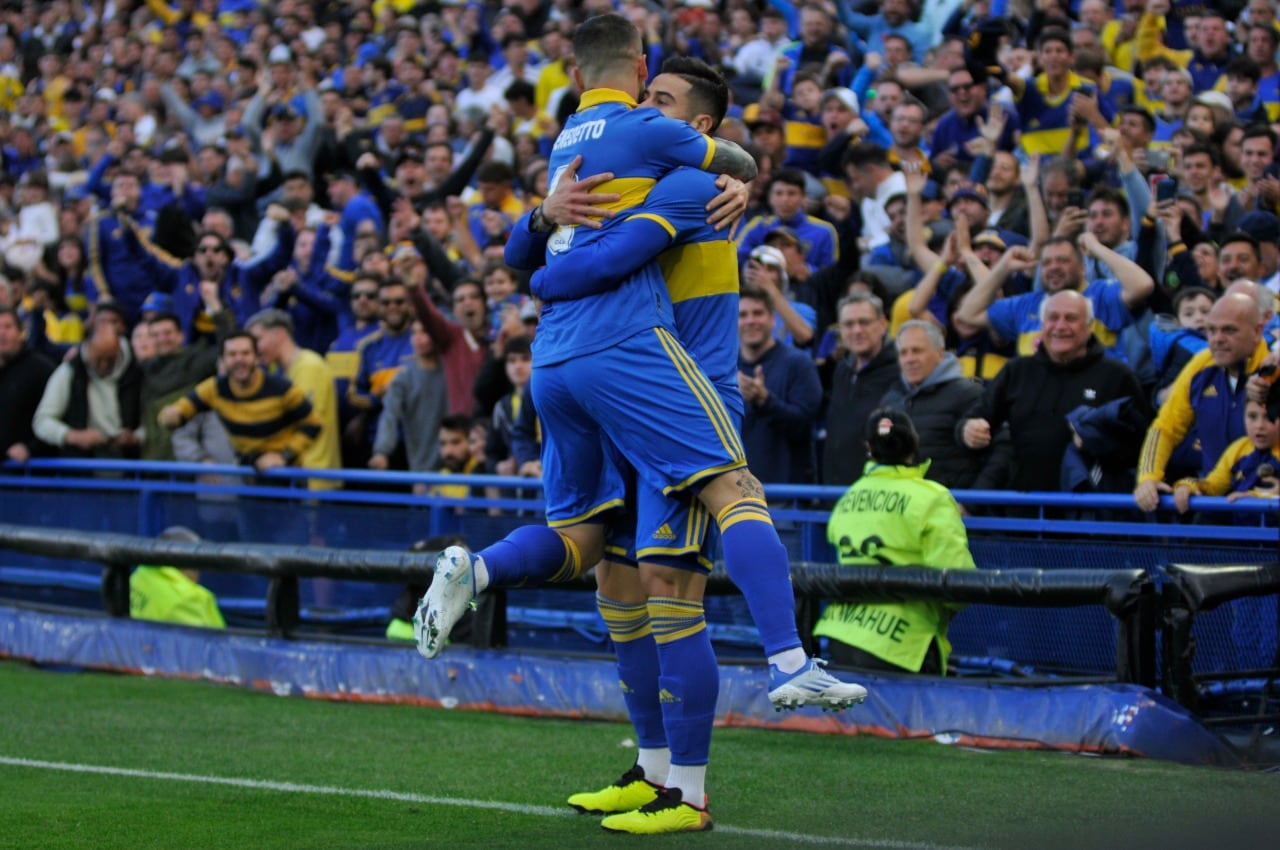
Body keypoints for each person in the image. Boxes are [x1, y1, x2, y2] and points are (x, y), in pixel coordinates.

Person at [416, 29, 860, 834]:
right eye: (646, 96)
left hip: (678, 384)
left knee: (667, 584)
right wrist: (544, 215)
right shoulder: (645, 169)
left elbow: (595, 260)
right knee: (612, 580)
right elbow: (549, 240)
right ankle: (652, 769)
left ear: (699, 125)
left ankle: (693, 782)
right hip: (631, 384)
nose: (643, 111)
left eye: (661, 104)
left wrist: (542, 270)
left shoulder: (689, 181)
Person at [817, 408, 975, 673]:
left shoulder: (848, 497)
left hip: (840, 635)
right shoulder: (933, 498)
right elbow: (960, 584)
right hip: (904, 645)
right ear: (916, 441)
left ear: (869, 447)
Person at [960, 290, 1151, 494]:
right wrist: (968, 430)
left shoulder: (1117, 376)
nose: (1060, 326)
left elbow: (1144, 446)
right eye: (1053, 318)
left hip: (1092, 506)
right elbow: (974, 418)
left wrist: (1098, 442)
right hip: (1024, 504)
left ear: (1089, 327)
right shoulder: (1016, 370)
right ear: (1042, 326)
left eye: (1071, 318)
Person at [1134, 291, 1272, 510]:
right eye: (1211, 330)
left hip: (1267, 510)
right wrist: (1148, 477)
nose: (1217, 339)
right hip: (1212, 504)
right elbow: (1166, 427)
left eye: (1229, 330)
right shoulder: (1201, 365)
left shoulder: (1273, 370)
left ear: (1257, 331)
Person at [157, 331, 321, 474]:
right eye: (232, 354)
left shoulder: (281, 388)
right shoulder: (214, 388)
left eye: (245, 353)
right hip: (248, 473)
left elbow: (314, 424)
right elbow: (181, 410)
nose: (239, 360)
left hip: (286, 476)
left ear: (256, 357)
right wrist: (170, 416)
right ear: (223, 360)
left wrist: (283, 455)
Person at [879, 321, 1010, 490]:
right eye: (903, 353)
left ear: (940, 354)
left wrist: (975, 499)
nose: (909, 359)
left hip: (951, 503)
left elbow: (1003, 449)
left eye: (917, 351)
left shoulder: (969, 395)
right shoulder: (890, 401)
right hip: (901, 502)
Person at [737, 286, 822, 484]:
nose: (750, 320)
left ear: (773, 319)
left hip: (786, 492)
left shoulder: (799, 364)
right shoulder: (725, 368)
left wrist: (764, 401)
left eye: (758, 313)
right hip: (737, 492)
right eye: (743, 315)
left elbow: (803, 425)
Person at [32, 317, 143, 459]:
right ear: (87, 347)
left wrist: (136, 437)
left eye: (110, 359)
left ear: (119, 349)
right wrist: (73, 436)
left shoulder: (136, 372)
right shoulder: (70, 372)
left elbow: (151, 422)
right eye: (98, 358)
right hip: (81, 463)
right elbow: (42, 422)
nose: (104, 365)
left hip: (128, 462)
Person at [822, 292, 902, 486]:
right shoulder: (841, 370)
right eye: (848, 324)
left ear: (882, 324)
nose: (857, 330)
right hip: (836, 489)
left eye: (864, 322)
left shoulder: (900, 371)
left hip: (878, 490)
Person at [1172, 390, 1280, 521]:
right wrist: (1188, 485)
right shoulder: (1239, 448)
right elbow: (1212, 485)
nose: (1259, 425)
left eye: (1269, 417)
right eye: (1252, 416)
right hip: (1242, 530)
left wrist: (1259, 497)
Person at [129, 526, 226, 629]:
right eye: (198, 565)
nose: (199, 573)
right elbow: (207, 638)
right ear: (189, 564)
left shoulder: (139, 575)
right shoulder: (189, 599)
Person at [0, 307, 55, 463]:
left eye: (8, 327)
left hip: (29, 468)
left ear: (21, 333)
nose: (2, 333)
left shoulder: (41, 369)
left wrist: (31, 448)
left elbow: (55, 419)